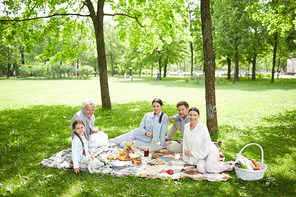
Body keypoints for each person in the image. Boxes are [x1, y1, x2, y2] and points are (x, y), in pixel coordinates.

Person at [183, 107, 234, 174]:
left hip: (210, 151)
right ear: (188, 115)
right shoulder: (186, 126)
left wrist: (193, 153)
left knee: (209, 168)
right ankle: (216, 165)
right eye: (190, 115)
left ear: (198, 116)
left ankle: (229, 167)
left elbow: (207, 144)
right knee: (202, 169)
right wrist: (187, 153)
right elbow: (185, 141)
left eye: (195, 115)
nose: (192, 117)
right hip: (200, 156)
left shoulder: (203, 127)